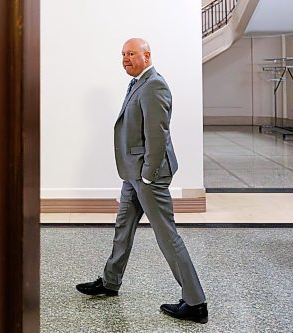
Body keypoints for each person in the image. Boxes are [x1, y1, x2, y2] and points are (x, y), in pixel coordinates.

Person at [76, 38, 208, 324]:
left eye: (131, 53)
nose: (125, 58)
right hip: (132, 173)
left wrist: (148, 175)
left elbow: (157, 136)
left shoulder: (154, 85)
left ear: (147, 56)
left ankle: (196, 303)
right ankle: (110, 282)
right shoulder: (137, 82)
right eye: (123, 54)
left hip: (149, 175)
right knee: (123, 226)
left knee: (167, 235)